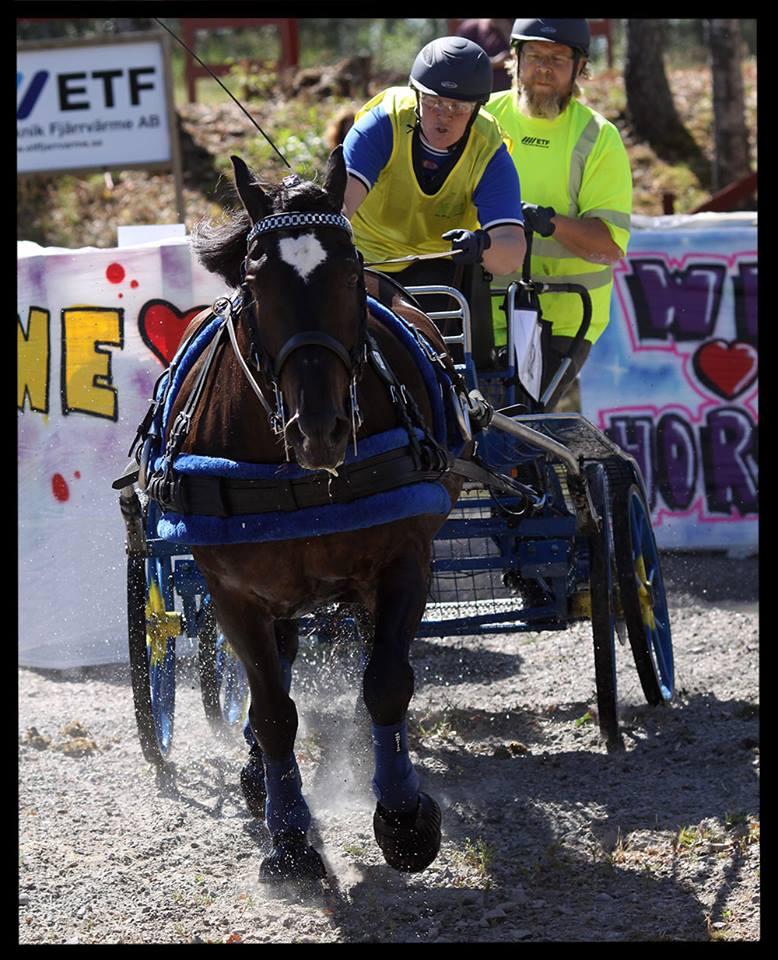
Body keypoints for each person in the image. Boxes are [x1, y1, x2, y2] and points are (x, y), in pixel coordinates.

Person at [484, 18, 632, 407]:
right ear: (515, 58)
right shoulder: (483, 120)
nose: (545, 68)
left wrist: (548, 222)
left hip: (562, 319)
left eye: (558, 59)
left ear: (580, 67)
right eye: (534, 55)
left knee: (515, 431)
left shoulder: (597, 137)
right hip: (479, 308)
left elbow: (608, 246)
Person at [341, 36, 526, 333]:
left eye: (458, 107)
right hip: (365, 264)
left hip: (439, 270)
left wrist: (482, 246)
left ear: (478, 109)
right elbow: (340, 207)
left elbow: (511, 253)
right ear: (416, 97)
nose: (444, 116)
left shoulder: (489, 150)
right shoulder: (382, 124)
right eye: (433, 102)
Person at [455, 19, 514, 92]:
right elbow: (460, 63)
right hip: (478, 93)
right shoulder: (471, 28)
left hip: (509, 91)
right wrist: (494, 63)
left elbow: (518, 52)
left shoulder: (516, 27)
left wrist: (505, 28)